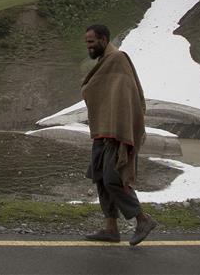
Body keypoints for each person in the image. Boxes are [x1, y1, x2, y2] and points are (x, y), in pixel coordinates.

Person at [81, 24, 158, 246]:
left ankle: (143, 219)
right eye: (86, 42)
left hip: (116, 132)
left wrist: (121, 127)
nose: (88, 46)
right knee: (100, 178)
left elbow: (127, 96)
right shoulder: (105, 62)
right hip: (102, 131)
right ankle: (111, 229)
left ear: (104, 39)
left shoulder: (118, 59)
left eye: (91, 42)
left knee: (113, 178)